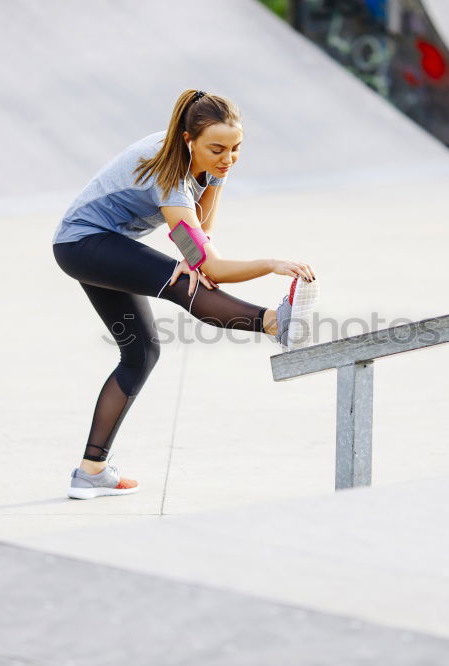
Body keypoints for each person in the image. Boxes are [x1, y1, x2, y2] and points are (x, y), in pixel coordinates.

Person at [52, 89, 319, 500]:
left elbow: (202, 233)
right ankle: (274, 323)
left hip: (102, 245)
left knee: (142, 352)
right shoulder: (171, 174)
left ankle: (91, 471)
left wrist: (193, 249)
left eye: (236, 148)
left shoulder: (208, 162)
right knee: (187, 285)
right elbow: (212, 268)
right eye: (217, 149)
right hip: (85, 244)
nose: (228, 158)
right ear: (187, 140)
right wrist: (270, 264)